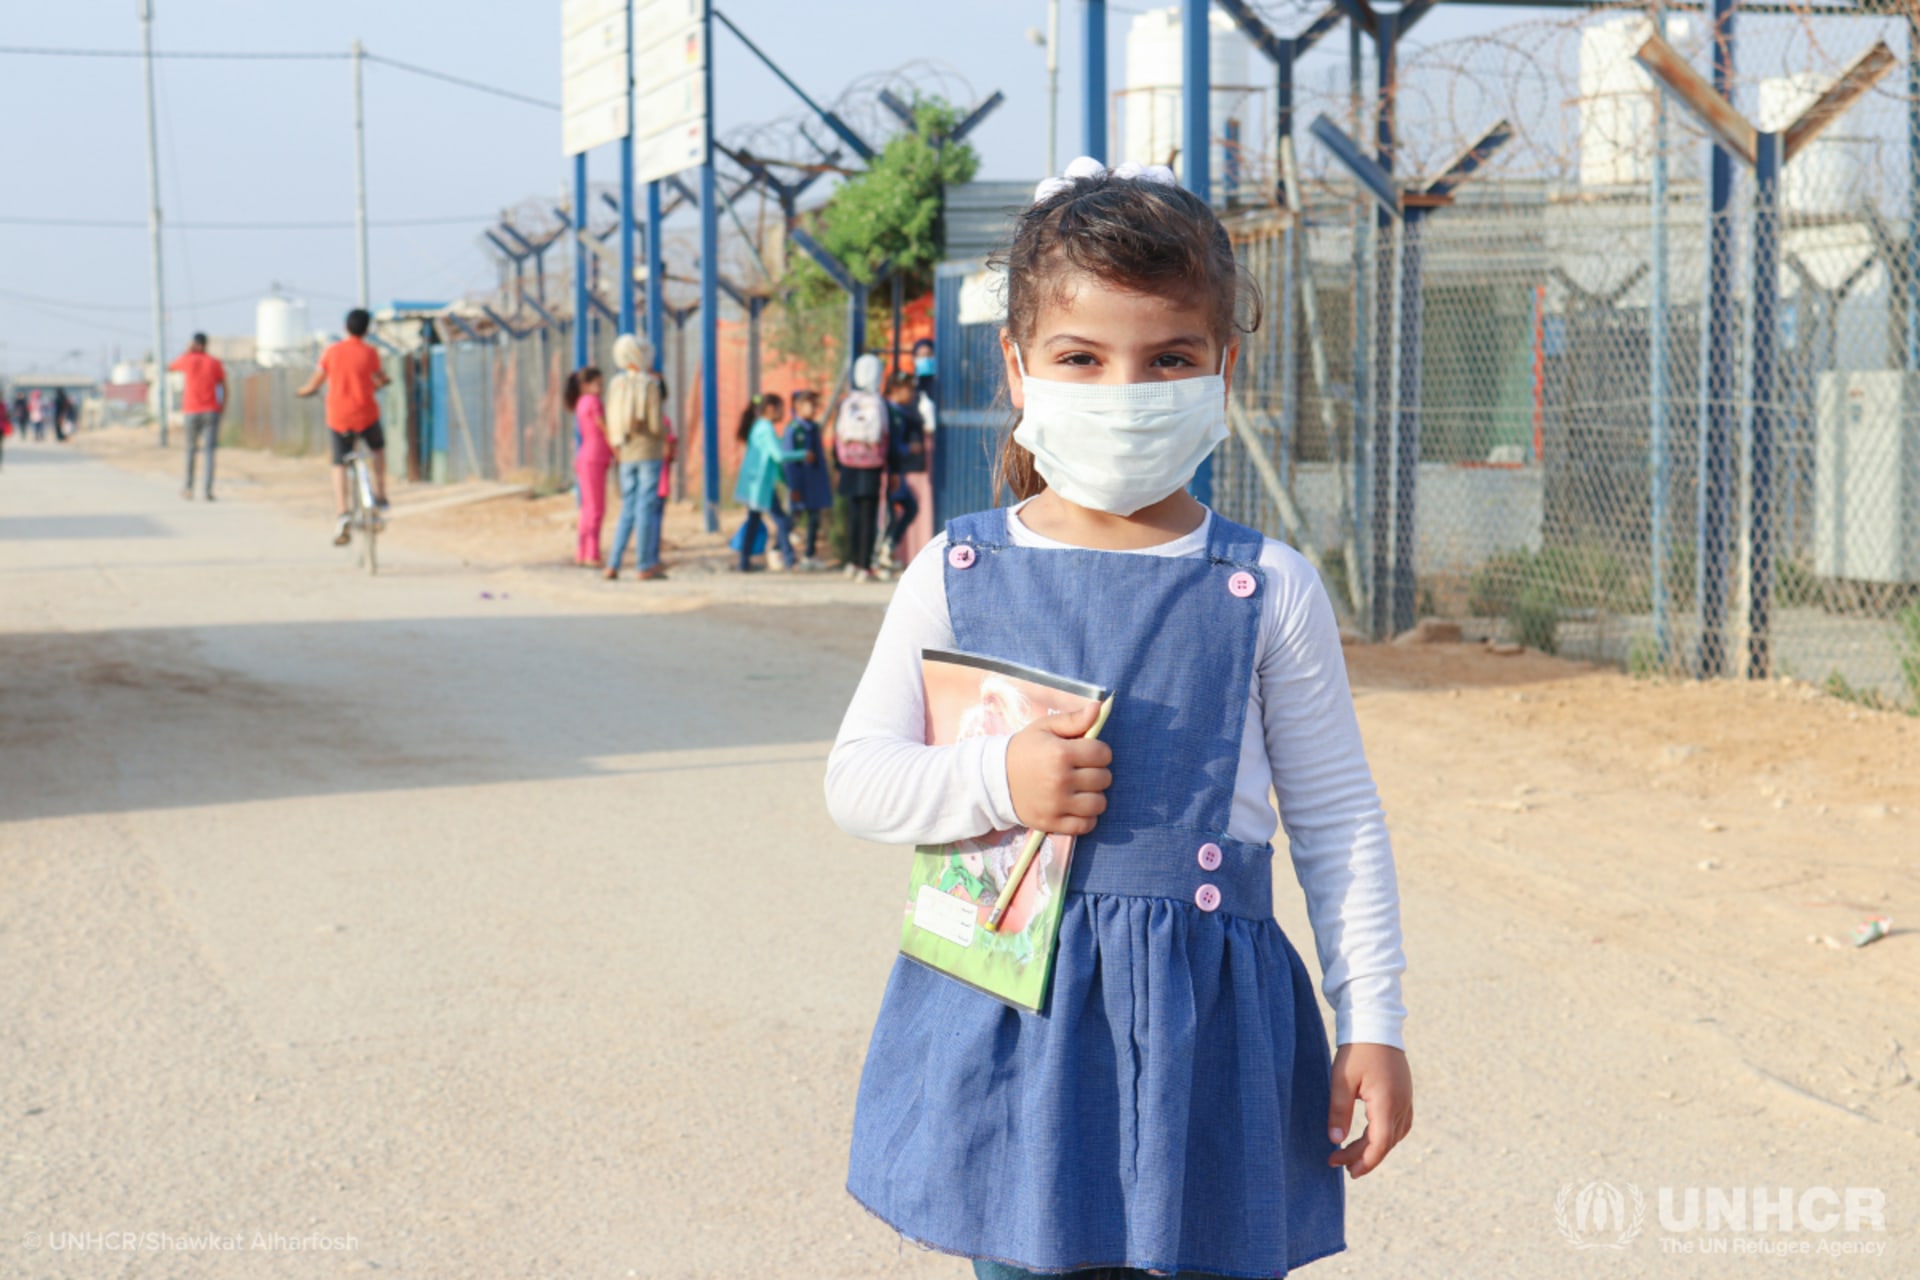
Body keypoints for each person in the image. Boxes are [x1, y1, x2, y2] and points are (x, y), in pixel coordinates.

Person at [823, 158, 1411, 1280]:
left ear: (1224, 367)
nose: (1125, 390)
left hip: (1211, 1038)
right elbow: (857, 778)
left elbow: (1337, 820)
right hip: (1015, 1029)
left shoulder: (1269, 586)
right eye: (1082, 358)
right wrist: (995, 778)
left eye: (1169, 359)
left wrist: (1371, 1019)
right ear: (1018, 365)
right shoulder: (954, 569)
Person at [297, 308, 391, 546]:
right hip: (367, 415)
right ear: (367, 329)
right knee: (378, 450)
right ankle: (380, 494)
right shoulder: (370, 353)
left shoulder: (332, 352)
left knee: (339, 463)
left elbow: (316, 382)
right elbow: (380, 378)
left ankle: (343, 512)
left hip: (339, 417)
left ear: (345, 327)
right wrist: (380, 383)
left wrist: (304, 391)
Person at [603, 334, 670, 581]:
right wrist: (665, 437)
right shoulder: (648, 384)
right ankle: (644, 564)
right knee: (645, 507)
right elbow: (654, 423)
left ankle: (613, 563)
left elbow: (611, 420)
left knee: (628, 507)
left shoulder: (616, 384)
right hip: (648, 451)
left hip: (626, 451)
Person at [732, 393, 804, 573]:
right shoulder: (765, 428)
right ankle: (789, 559)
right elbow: (778, 456)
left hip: (756, 483)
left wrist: (784, 480)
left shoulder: (758, 427)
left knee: (754, 521)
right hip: (761, 485)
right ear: (771, 409)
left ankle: (744, 562)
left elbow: (771, 460)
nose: (782, 413)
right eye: (780, 408)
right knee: (781, 520)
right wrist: (803, 454)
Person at [834, 353, 888, 581]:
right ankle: (865, 565)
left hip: (849, 466)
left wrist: (838, 465)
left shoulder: (848, 402)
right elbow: (885, 434)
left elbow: (837, 435)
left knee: (853, 515)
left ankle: (853, 561)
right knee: (869, 516)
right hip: (871, 467)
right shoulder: (878, 403)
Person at [877, 371, 926, 571]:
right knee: (889, 515)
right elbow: (890, 446)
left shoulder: (901, 413)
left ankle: (887, 549)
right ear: (895, 389)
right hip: (889, 472)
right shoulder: (889, 412)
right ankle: (879, 555)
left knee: (910, 508)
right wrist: (908, 449)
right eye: (908, 388)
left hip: (897, 471)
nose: (912, 393)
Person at [170, 333, 227, 500]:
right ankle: (208, 490)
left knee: (190, 450)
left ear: (195, 344)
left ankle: (188, 488)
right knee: (209, 452)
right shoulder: (214, 362)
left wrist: (187, 351)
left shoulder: (188, 360)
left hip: (192, 411)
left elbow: (171, 366)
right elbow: (224, 386)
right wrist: (222, 408)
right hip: (211, 411)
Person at [782, 388, 834, 570]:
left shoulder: (814, 428)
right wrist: (793, 486)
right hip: (800, 484)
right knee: (794, 517)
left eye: (815, 404)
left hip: (815, 483)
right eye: (809, 404)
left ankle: (809, 555)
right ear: (797, 406)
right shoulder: (793, 430)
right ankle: (777, 548)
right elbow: (788, 461)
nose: (813, 408)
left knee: (814, 518)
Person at [565, 366, 611, 568]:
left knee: (586, 508)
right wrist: (617, 449)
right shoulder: (593, 401)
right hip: (595, 458)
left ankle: (582, 552)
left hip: (586, 457)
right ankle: (592, 553)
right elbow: (603, 426)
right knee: (596, 508)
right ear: (585, 385)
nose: (601, 389)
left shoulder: (581, 402)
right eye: (598, 384)